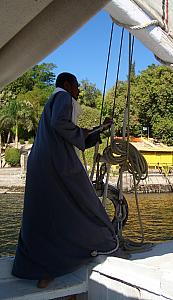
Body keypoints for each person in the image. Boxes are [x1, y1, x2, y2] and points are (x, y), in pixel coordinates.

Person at [12, 72, 117, 288]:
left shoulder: (51, 103)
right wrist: (83, 132)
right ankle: (105, 243)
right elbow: (62, 125)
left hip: (42, 163)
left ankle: (41, 270)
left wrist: (96, 131)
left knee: (44, 215)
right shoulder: (62, 97)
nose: (78, 92)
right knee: (84, 204)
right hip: (57, 164)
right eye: (77, 87)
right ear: (68, 85)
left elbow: (66, 132)